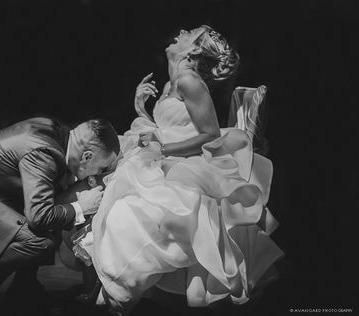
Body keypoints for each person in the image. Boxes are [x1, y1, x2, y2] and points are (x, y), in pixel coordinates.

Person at [80, 25, 284, 314]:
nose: (181, 31)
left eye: (189, 33)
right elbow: (171, 128)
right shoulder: (171, 84)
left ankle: (116, 295)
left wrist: (162, 151)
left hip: (183, 166)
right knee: (121, 214)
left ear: (194, 50)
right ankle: (113, 292)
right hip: (164, 161)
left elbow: (210, 135)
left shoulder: (189, 81)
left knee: (134, 219)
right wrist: (141, 108)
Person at [0, 117, 120, 315]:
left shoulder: (57, 132)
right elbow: (39, 216)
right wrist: (80, 207)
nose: (97, 175)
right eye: (102, 169)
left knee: (56, 216)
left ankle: (25, 290)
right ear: (86, 156)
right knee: (40, 241)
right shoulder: (45, 153)